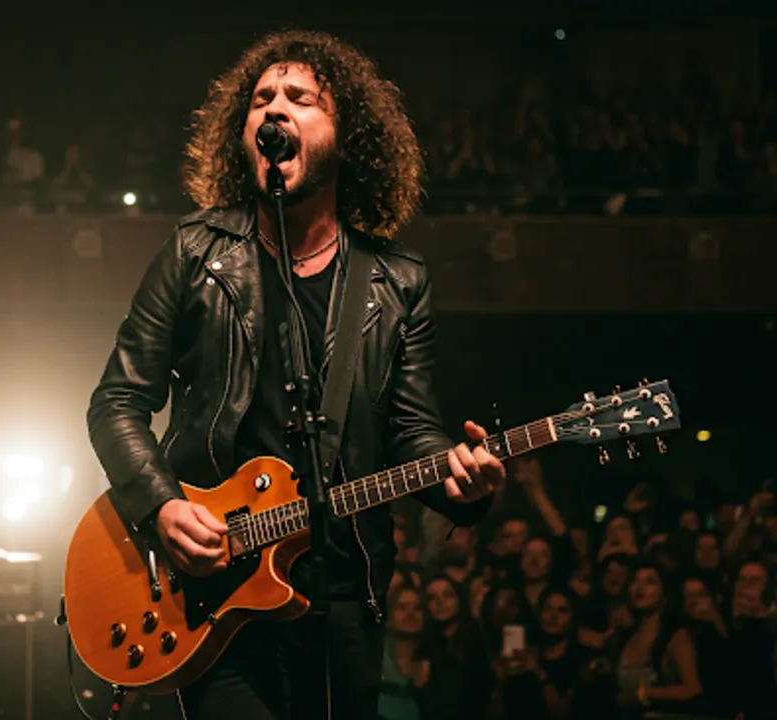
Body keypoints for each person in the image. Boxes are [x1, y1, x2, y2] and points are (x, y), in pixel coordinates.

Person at [87, 30, 504, 720]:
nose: (274, 109)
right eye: (261, 99)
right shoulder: (197, 252)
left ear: (348, 140)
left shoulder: (396, 283)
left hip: (343, 595)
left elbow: (412, 430)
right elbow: (117, 402)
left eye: (300, 98)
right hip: (216, 589)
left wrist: (462, 483)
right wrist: (162, 506)